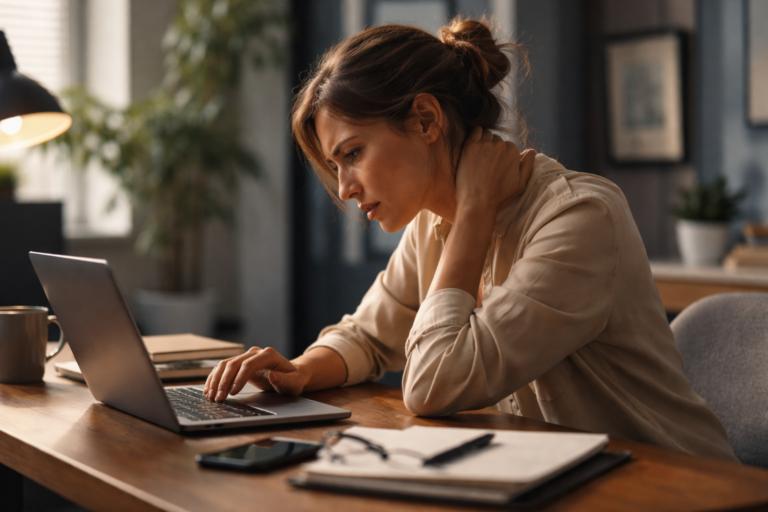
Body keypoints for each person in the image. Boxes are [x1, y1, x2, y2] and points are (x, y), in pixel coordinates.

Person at [205, 17, 736, 461]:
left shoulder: (579, 218)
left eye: (353, 154)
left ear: (426, 119)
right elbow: (368, 335)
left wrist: (475, 214)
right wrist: (300, 371)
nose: (345, 188)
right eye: (335, 165)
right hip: (560, 476)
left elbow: (433, 385)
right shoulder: (431, 222)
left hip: (679, 485)